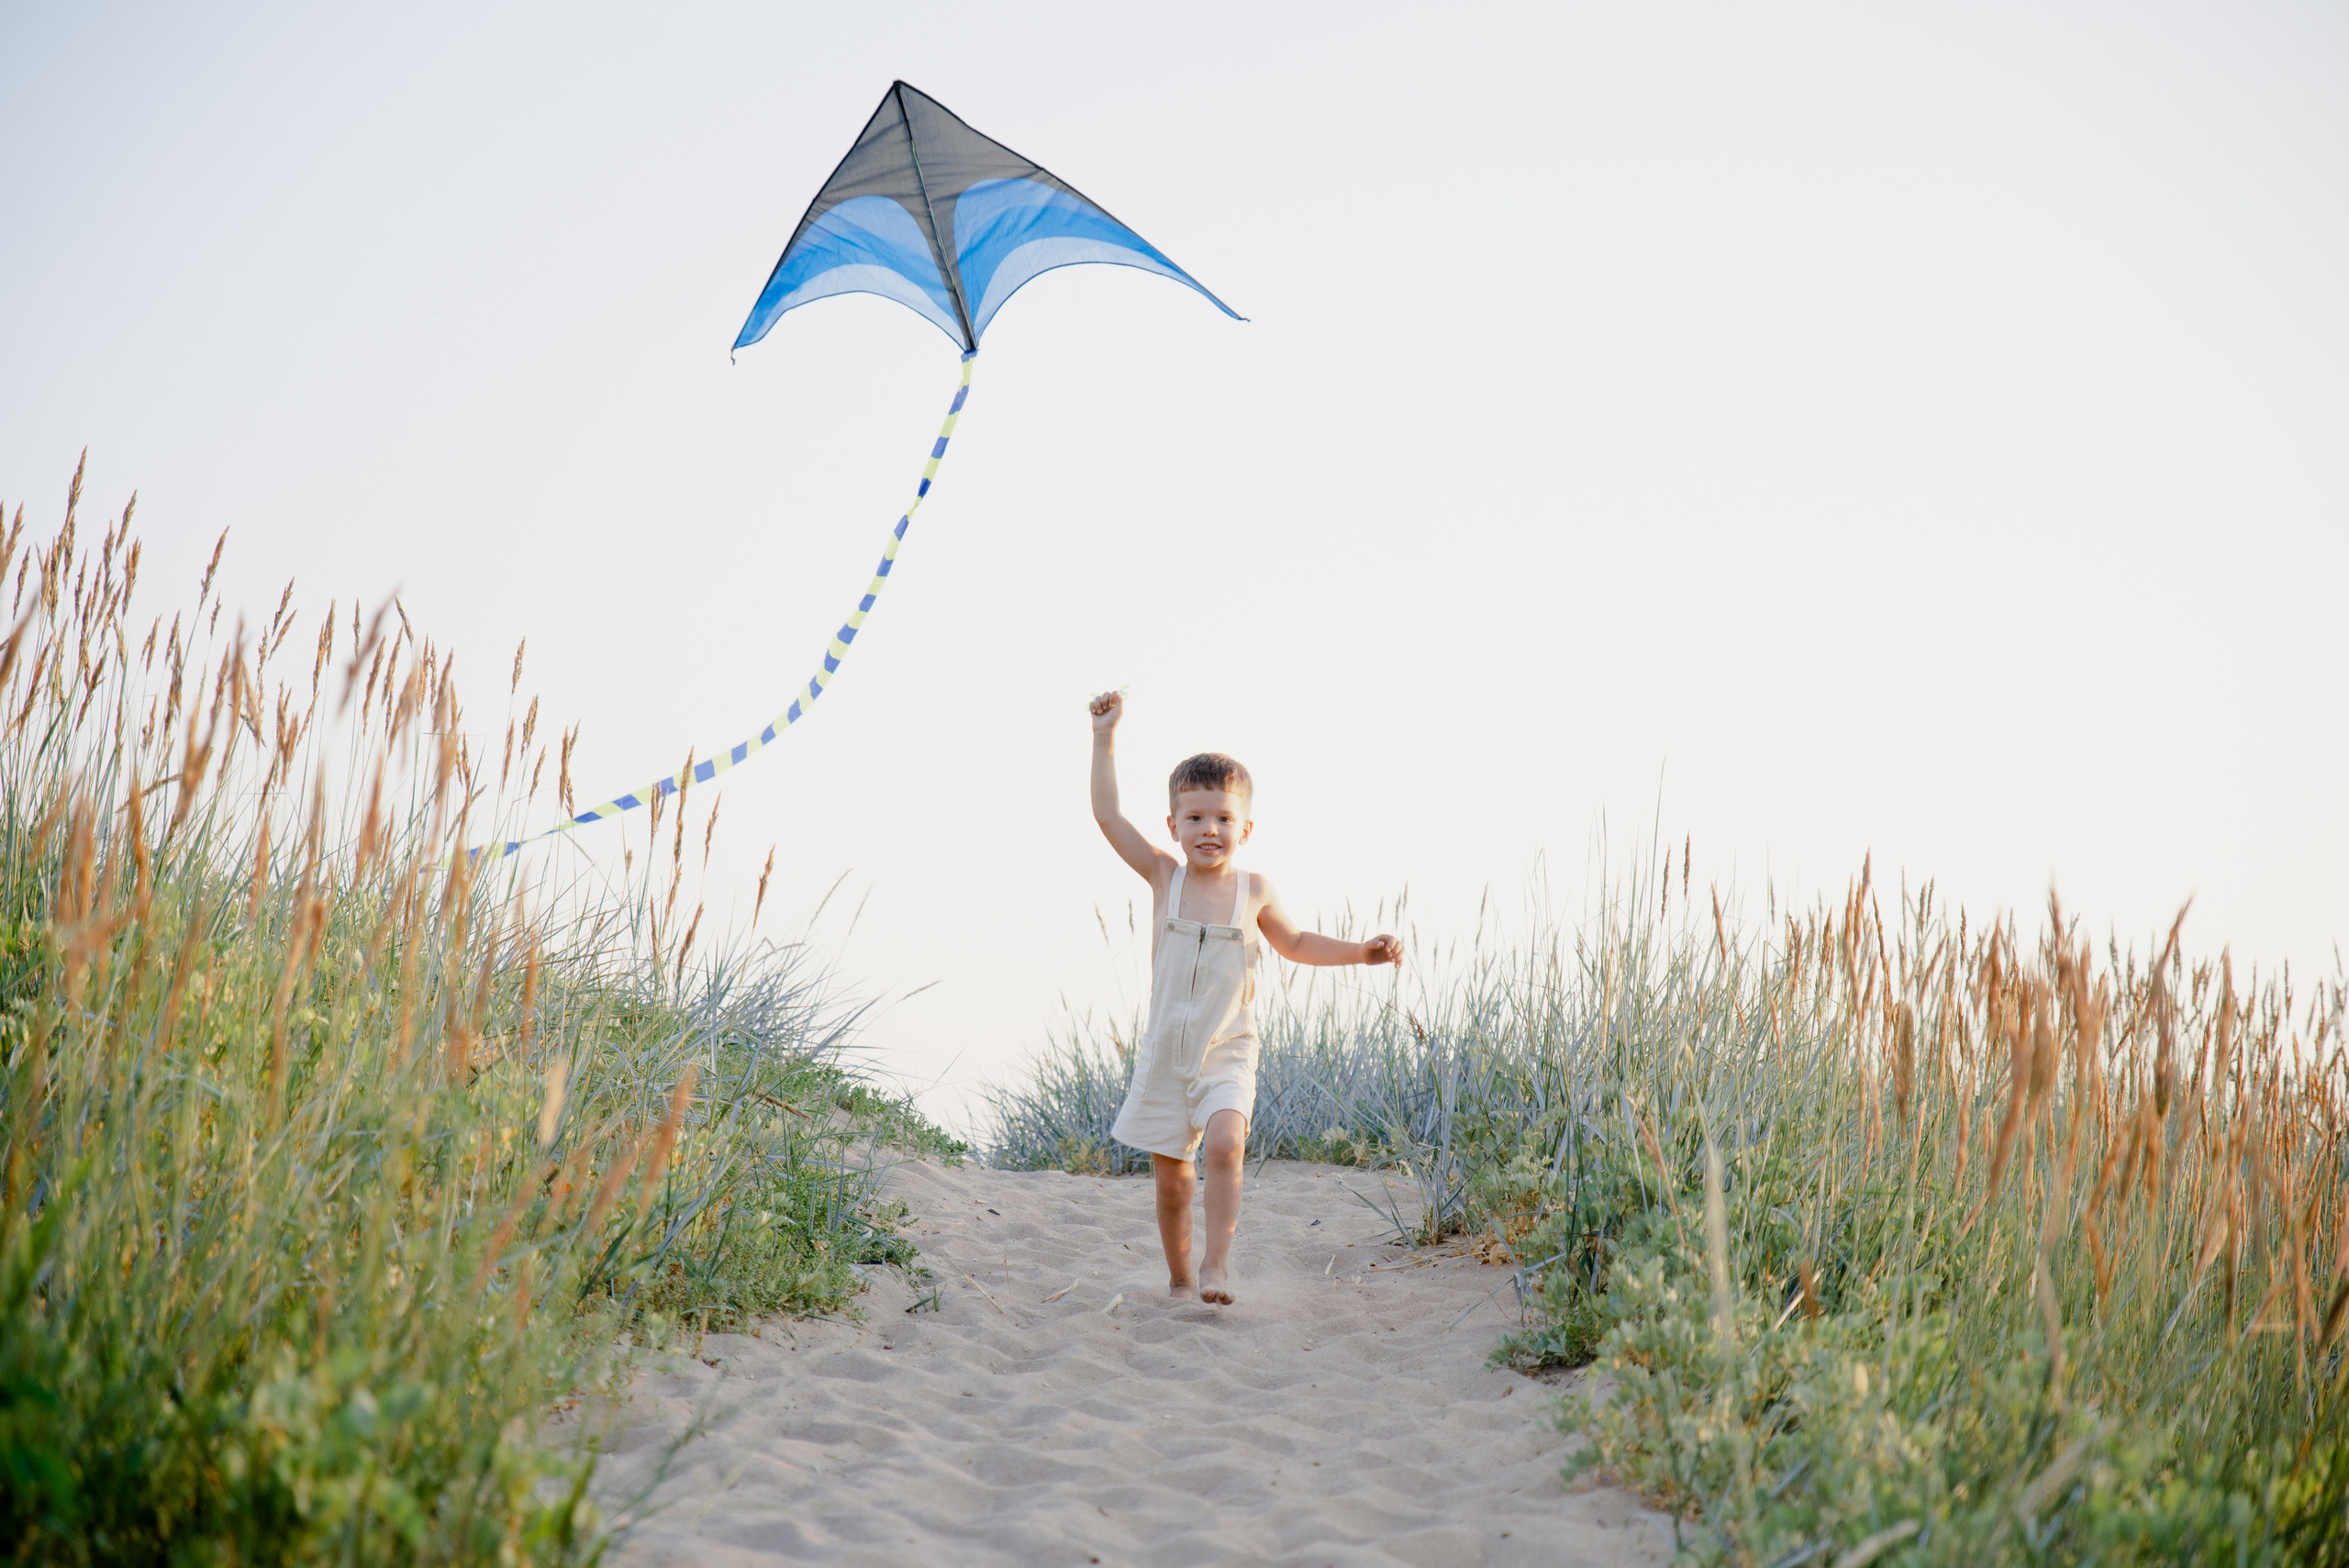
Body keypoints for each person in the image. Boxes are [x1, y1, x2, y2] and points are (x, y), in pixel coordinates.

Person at [1087, 690, 1402, 1306]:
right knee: (1174, 1184)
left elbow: (1297, 941)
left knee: (1228, 1143)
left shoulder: (1253, 890)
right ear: (1173, 825)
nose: (1211, 829)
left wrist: (1362, 951)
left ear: (1246, 828)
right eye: (1197, 817)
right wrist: (1105, 737)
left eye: (1224, 818)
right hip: (1165, 1057)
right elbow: (1107, 817)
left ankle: (1216, 1267)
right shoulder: (1164, 876)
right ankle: (1180, 1279)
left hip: (1227, 1050)